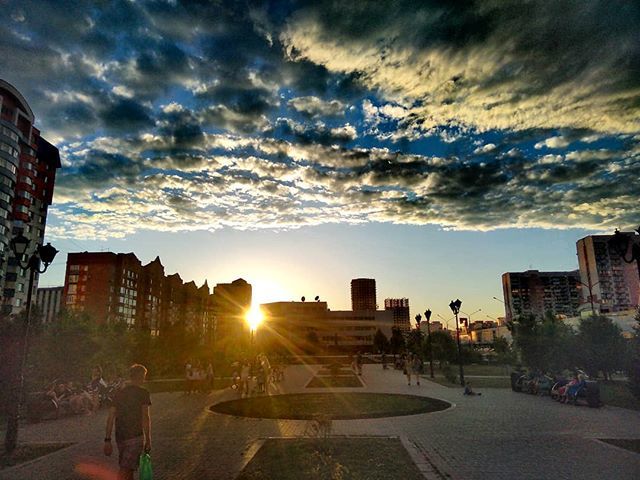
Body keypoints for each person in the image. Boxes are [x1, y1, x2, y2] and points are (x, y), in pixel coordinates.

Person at [104, 364, 152, 480]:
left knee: (127, 468)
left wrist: (107, 439)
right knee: (126, 469)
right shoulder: (143, 393)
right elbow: (145, 417)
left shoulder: (119, 393)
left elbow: (110, 417)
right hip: (135, 435)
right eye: (144, 376)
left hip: (120, 436)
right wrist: (148, 439)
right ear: (141, 376)